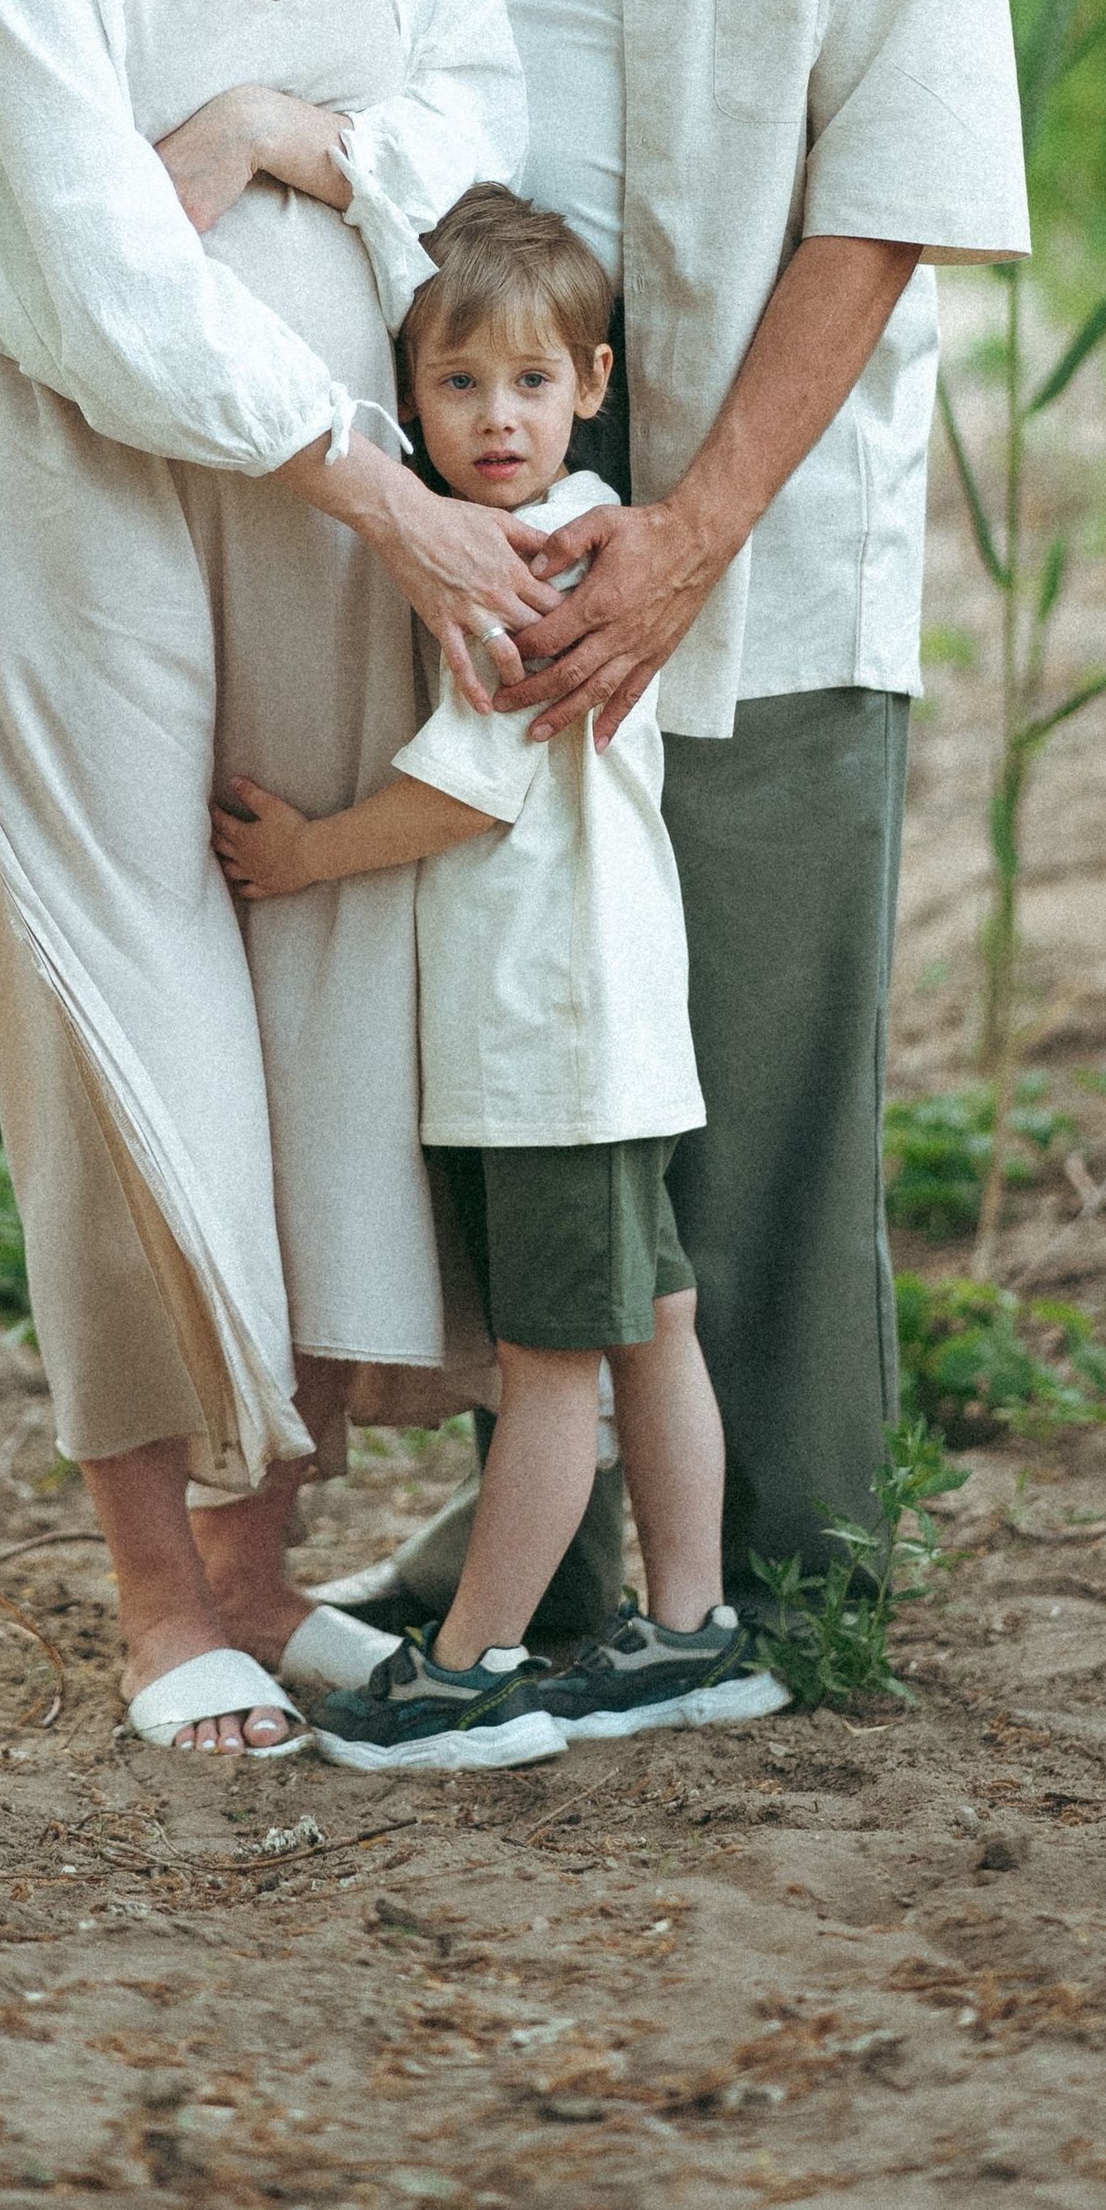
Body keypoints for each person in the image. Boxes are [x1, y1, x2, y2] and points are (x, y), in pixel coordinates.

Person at [0, 0, 1031, 1638]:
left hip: (738, 526)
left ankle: (781, 1582)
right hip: (458, 509)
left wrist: (692, 529)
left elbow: (890, 198)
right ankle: (541, 1561)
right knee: (517, 1047)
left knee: (741, 1064)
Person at [0, 0, 538, 1758]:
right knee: (120, 972)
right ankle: (152, 1594)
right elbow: (80, 249)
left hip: (332, 466)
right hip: (69, 454)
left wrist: (278, 128)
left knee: (306, 957)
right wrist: (376, 487)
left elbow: (472, 115)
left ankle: (268, 1574)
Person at [212, 184, 790, 1775]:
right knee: (652, 1321)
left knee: (550, 1371)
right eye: (458, 384)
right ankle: (691, 1630)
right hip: (613, 1026)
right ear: (407, 396)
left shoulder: (528, 568)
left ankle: (474, 1670)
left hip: (548, 1037)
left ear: (592, 385)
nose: (495, 419)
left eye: (531, 382)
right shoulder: (588, 531)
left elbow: (470, 792)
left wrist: (310, 854)